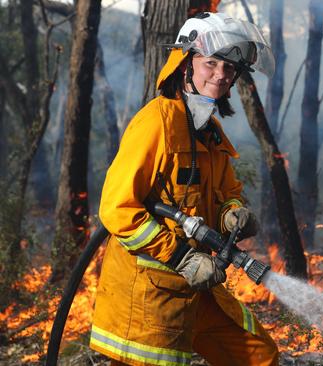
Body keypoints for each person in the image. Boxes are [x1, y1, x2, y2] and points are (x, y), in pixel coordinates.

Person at [89, 12, 278, 366]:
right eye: (211, 64)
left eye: (229, 69)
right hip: (150, 292)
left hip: (198, 287)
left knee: (258, 357)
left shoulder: (209, 133)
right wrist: (181, 257)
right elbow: (117, 208)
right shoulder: (155, 123)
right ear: (185, 63)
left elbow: (227, 192)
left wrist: (233, 212)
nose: (221, 76)